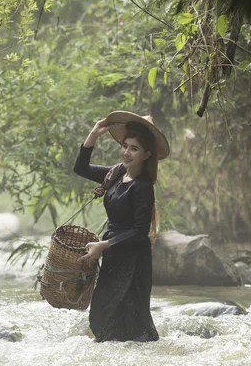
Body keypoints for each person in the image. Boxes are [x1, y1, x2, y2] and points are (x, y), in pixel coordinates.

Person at [73, 111, 170, 343]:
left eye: (134, 149)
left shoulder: (143, 186)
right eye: (125, 146)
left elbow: (139, 232)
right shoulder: (115, 174)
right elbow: (81, 168)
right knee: (101, 315)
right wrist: (93, 135)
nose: (126, 152)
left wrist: (102, 245)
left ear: (146, 155)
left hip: (134, 261)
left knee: (132, 322)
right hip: (114, 255)